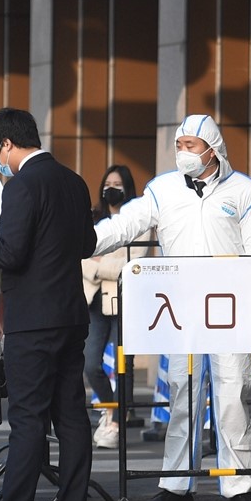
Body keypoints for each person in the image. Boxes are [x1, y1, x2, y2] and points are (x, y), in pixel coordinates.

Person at [93, 113, 251, 501]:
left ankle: (239, 484)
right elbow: (126, 224)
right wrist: (84, 239)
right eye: (179, 145)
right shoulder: (162, 189)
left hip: (230, 310)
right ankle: (177, 484)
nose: (182, 152)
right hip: (182, 311)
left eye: (190, 145)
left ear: (212, 149)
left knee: (233, 395)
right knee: (182, 393)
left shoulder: (243, 190)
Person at [0, 109, 96, 501]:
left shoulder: (21, 185)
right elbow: (87, 244)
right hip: (70, 314)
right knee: (71, 416)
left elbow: (10, 254)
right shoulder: (73, 181)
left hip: (32, 320)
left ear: (5, 145)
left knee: (28, 418)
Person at [82, 164, 151, 450]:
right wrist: (101, 264)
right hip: (93, 301)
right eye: (108, 183)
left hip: (125, 301)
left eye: (118, 184)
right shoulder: (92, 219)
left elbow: (130, 265)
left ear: (128, 188)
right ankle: (111, 410)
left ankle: (116, 422)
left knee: (124, 365)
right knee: (90, 363)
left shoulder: (138, 222)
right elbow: (80, 258)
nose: (111, 189)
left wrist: (97, 263)